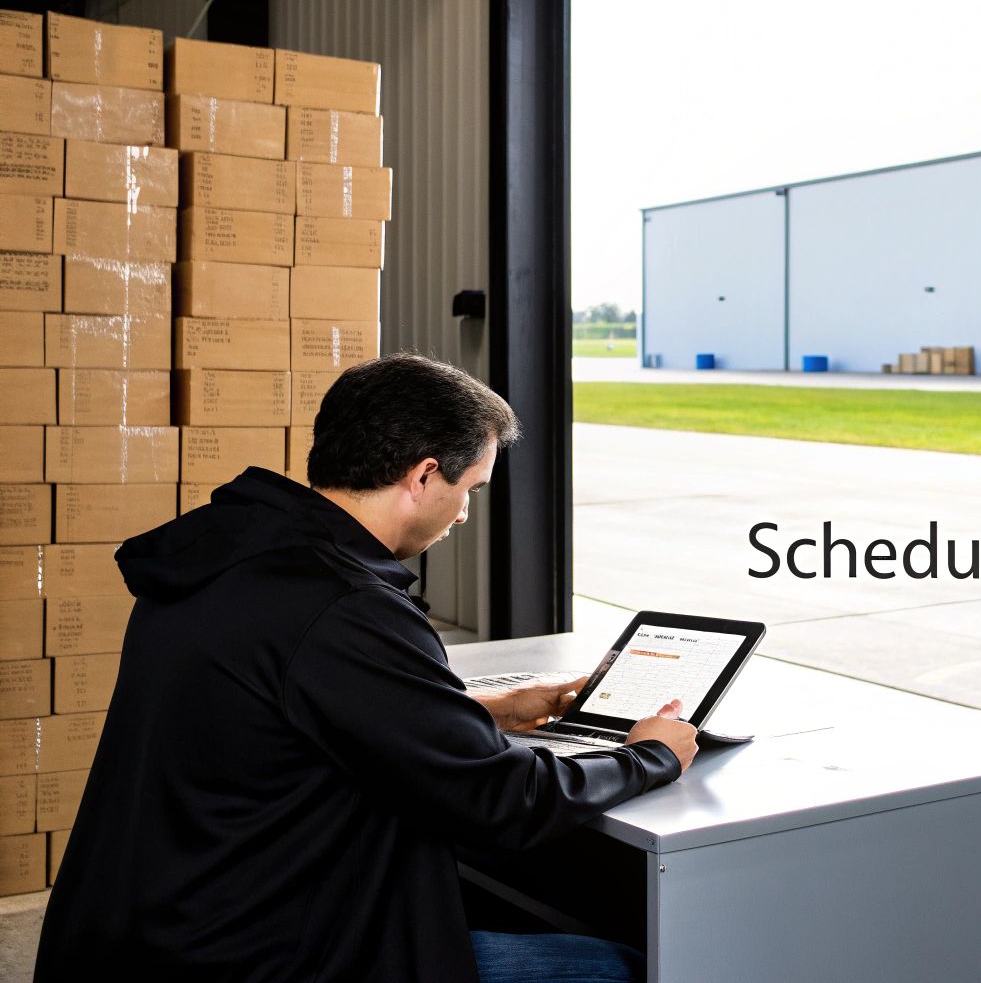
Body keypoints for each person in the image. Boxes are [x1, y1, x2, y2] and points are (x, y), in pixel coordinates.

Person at [35, 353, 696, 983]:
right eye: (469, 490)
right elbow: (501, 801)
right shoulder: (342, 605)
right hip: (260, 956)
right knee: (630, 967)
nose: (465, 513)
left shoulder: (232, 557)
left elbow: (292, 715)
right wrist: (650, 756)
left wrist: (486, 711)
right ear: (424, 475)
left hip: (150, 933)